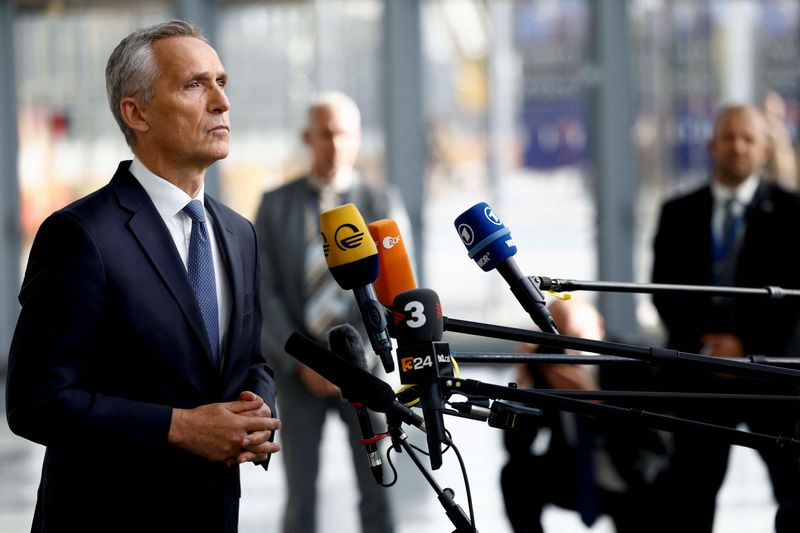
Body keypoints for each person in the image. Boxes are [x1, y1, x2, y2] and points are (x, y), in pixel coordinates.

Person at [5, 20, 280, 533]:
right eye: (194, 85)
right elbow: (34, 402)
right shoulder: (80, 235)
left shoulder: (239, 233)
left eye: (222, 82)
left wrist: (257, 411)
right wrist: (180, 427)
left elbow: (249, 361)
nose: (221, 102)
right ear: (136, 113)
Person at [255, 91, 406, 533]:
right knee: (300, 496)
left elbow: (392, 292)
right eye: (325, 134)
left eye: (344, 134)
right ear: (308, 138)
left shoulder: (380, 202)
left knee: (379, 488)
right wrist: (304, 361)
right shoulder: (275, 205)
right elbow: (263, 292)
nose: (335, 144)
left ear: (358, 138)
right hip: (298, 370)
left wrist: (352, 364)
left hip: (365, 370)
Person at [651, 103, 800, 532]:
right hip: (699, 374)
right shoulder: (677, 212)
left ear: (765, 150)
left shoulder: (794, 213)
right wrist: (708, 346)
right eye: (729, 137)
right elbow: (663, 290)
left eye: (748, 139)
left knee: (794, 492)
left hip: (773, 379)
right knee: (690, 498)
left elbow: (796, 302)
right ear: (711, 145)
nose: (737, 147)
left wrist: (747, 347)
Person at [500, 298, 663, 533]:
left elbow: (651, 437)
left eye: (574, 337)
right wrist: (523, 383)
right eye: (557, 339)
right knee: (514, 475)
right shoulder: (548, 366)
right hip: (572, 471)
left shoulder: (633, 363)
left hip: (632, 473)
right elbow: (515, 447)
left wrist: (597, 404)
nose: (567, 350)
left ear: (599, 328)